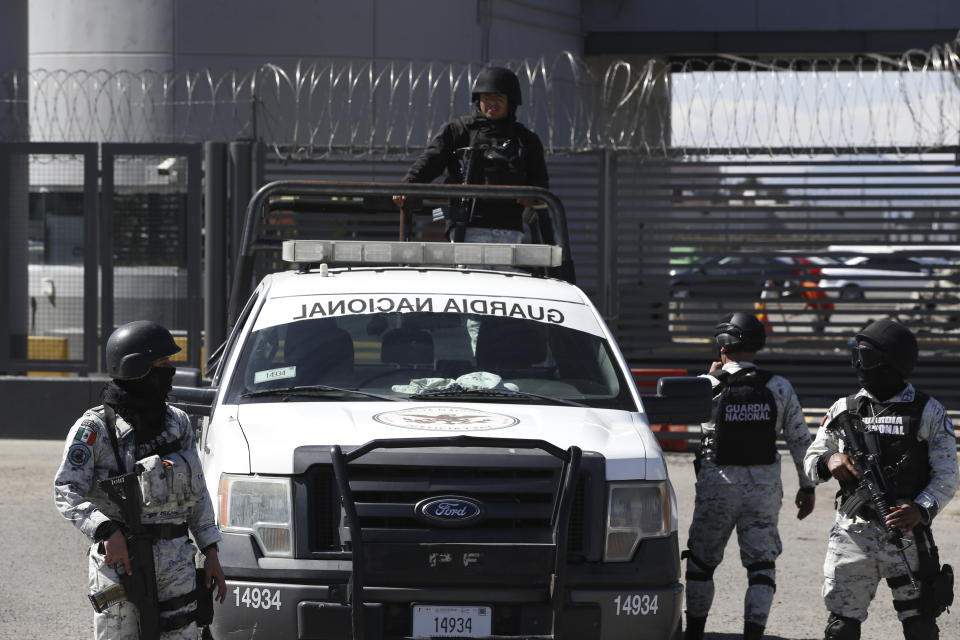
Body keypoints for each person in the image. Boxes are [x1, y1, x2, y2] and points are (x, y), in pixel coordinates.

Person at [54, 320, 226, 639]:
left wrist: (211, 550)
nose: (171, 370)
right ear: (137, 368)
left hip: (177, 561)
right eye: (162, 364)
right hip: (123, 562)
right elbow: (66, 488)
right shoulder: (95, 429)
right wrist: (107, 531)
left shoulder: (178, 424)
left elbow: (197, 491)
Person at [803, 319, 958, 640]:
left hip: (907, 535)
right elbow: (810, 460)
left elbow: (947, 473)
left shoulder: (927, 411)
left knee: (920, 626)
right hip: (852, 535)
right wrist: (829, 459)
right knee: (841, 628)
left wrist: (921, 508)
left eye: (867, 357)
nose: (860, 365)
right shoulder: (843, 409)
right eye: (856, 356)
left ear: (893, 361)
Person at [684, 312, 816, 640]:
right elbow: (801, 440)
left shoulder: (707, 386)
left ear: (723, 346)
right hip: (764, 490)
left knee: (701, 564)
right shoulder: (779, 386)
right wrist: (808, 486)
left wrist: (708, 379)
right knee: (761, 569)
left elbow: (695, 429)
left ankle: (695, 633)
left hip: (718, 488)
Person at [393, 65, 549, 243]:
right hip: (465, 227)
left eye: (498, 98)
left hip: (509, 228)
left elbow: (540, 181)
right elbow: (431, 160)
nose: (491, 103)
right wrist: (408, 185)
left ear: (510, 102)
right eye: (486, 97)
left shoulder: (525, 140)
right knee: (469, 271)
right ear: (478, 100)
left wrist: (531, 196)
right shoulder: (459, 131)